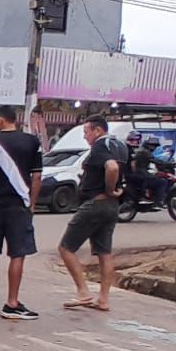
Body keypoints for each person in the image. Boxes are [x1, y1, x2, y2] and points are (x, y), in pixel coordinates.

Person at [0, 104, 41, 319]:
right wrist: (31, 204)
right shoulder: (31, 142)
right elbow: (37, 176)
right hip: (18, 205)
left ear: (1, 120)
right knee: (17, 253)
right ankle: (12, 303)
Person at [58, 116, 128, 312]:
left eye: (86, 132)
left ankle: (83, 292)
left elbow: (112, 167)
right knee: (104, 253)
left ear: (97, 130)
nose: (85, 136)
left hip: (96, 203)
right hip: (112, 206)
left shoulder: (100, 145)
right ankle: (103, 299)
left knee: (66, 248)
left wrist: (108, 187)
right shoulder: (120, 145)